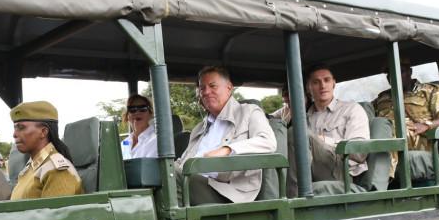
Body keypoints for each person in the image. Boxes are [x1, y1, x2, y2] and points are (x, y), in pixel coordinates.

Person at [174, 66, 276, 205]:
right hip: (194, 181)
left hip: (228, 192)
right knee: (165, 173)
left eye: (212, 86)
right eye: (202, 88)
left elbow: (268, 141)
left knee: (174, 175)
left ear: (229, 88)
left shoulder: (249, 111)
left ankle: (175, 218)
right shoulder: (199, 128)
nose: (206, 92)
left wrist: (227, 149)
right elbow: (182, 161)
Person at [273, 64, 370, 197]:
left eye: (327, 80)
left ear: (333, 83)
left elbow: (359, 152)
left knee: (298, 134)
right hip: (312, 171)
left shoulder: (351, 109)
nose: (322, 86)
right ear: (308, 87)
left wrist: (324, 140)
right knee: (283, 133)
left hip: (342, 171)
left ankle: (294, 198)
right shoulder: (304, 116)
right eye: (316, 82)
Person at [373, 58, 439, 179]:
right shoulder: (382, 98)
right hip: (385, 134)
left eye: (400, 72)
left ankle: (381, 178)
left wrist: (427, 125)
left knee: (392, 130)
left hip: (416, 136)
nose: (394, 77)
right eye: (390, 74)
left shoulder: (430, 91)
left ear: (410, 72)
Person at [9, 101, 84, 199]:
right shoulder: (33, 166)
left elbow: (56, 209)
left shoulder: (56, 171)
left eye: (21, 127)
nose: (14, 134)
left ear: (43, 132)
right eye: (15, 128)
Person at [121, 94, 158, 158]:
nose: (137, 112)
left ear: (150, 114)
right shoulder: (124, 143)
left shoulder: (157, 141)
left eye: (143, 108)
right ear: (127, 116)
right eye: (132, 109)